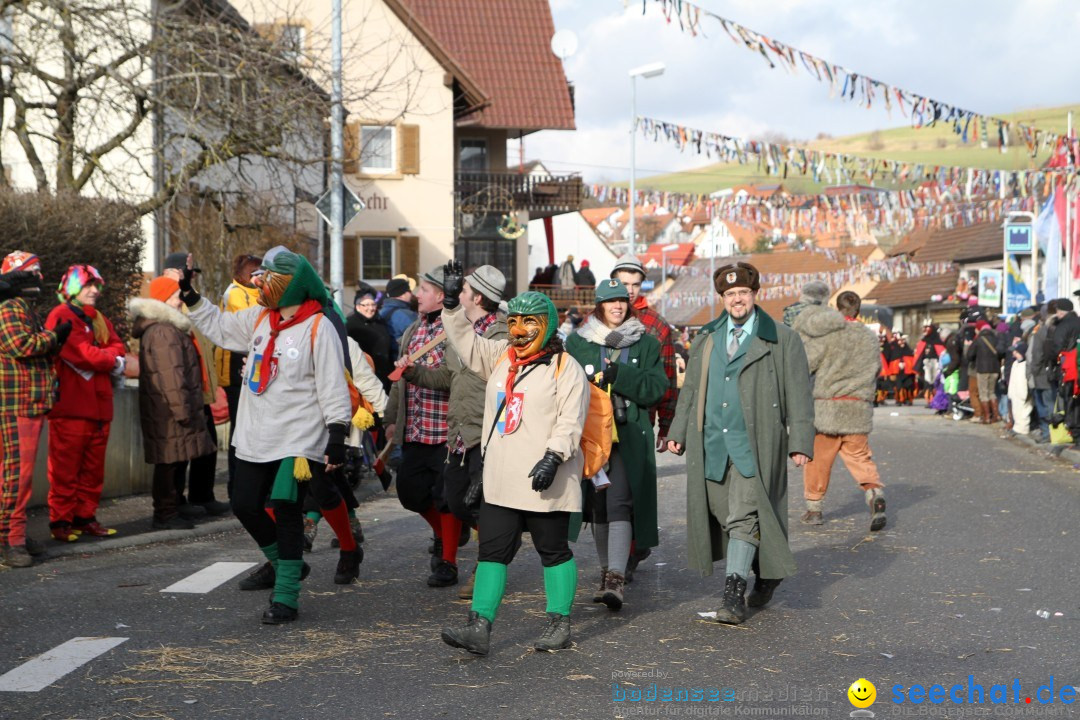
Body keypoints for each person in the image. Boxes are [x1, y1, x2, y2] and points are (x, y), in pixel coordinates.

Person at [182, 247, 354, 624]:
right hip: (255, 435)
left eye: (268, 277)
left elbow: (332, 385)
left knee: (287, 510)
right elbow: (221, 327)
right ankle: (288, 565)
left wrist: (337, 434)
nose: (259, 283)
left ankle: (286, 597)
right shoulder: (261, 318)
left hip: (297, 437)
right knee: (243, 504)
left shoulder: (318, 327)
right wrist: (192, 297)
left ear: (290, 285)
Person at [439, 267, 588, 656]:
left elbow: (571, 419)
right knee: (491, 551)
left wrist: (553, 457)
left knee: (552, 550)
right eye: (514, 322)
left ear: (547, 325)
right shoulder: (502, 358)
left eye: (529, 323)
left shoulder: (565, 367)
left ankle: (560, 623)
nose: (519, 330)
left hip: (545, 477)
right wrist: (452, 304)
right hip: (503, 479)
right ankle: (479, 626)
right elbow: (465, 343)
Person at [667, 262, 814, 625]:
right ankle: (768, 569)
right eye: (730, 294)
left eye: (743, 293)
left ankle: (733, 595)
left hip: (757, 444)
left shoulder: (782, 339)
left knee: (743, 515)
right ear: (722, 298)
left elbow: (799, 393)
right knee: (723, 512)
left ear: (754, 295)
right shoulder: (706, 338)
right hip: (713, 444)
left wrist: (800, 441)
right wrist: (677, 432)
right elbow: (690, 391)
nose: (737, 300)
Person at [402, 266, 508, 595]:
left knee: (482, 502)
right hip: (459, 431)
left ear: (477, 297)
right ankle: (502, 539)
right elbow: (450, 378)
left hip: (488, 432)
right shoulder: (458, 329)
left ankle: (488, 564)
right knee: (456, 501)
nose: (456, 296)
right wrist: (414, 373)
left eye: (461, 291)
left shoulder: (503, 334)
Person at [565, 278, 666, 610]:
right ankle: (608, 572)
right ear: (599, 305)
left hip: (627, 436)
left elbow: (656, 389)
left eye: (622, 300)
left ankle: (616, 579)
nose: (618, 306)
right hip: (591, 436)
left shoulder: (646, 345)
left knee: (620, 503)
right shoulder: (578, 344)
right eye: (611, 302)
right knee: (598, 507)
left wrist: (620, 377)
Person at [383, 267, 457, 583]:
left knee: (446, 498)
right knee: (410, 494)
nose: (417, 295)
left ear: (441, 295)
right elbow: (400, 382)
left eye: (424, 290)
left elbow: (449, 378)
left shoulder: (455, 331)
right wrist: (390, 419)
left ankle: (448, 561)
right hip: (414, 430)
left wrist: (415, 373)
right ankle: (444, 534)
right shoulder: (413, 330)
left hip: (443, 432)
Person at [45, 265, 127, 542]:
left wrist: (109, 357)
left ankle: (84, 517)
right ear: (72, 289)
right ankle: (61, 522)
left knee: (93, 470)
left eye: (96, 286)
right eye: (88, 286)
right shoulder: (60, 315)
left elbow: (118, 347)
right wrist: (112, 360)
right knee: (65, 469)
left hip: (99, 406)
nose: (94, 291)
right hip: (71, 406)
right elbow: (83, 354)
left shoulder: (98, 318)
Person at [609, 255, 679, 579]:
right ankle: (616, 553)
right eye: (624, 284)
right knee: (603, 489)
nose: (631, 290)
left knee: (635, 487)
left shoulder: (657, 326)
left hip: (638, 420)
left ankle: (631, 550)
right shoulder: (602, 320)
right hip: (600, 420)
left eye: (636, 284)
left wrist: (667, 426)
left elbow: (667, 380)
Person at [794, 290, 886, 532]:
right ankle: (874, 492)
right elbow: (877, 369)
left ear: (836, 309)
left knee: (818, 460)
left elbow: (808, 363)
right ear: (858, 310)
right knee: (860, 457)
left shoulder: (829, 335)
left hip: (828, 407)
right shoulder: (869, 337)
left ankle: (814, 509)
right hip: (857, 406)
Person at [129, 278, 217, 530]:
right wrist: (182, 410)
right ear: (162, 300)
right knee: (169, 462)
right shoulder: (163, 331)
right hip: (169, 410)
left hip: (167, 409)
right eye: (175, 295)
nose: (180, 300)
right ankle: (166, 513)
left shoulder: (164, 328)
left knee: (175, 459)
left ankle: (174, 507)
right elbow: (171, 376)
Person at [0, 253, 69, 567]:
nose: (41, 278)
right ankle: (11, 541)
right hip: (18, 404)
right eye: (35, 272)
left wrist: (51, 340)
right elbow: (20, 345)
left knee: (16, 475)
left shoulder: (21, 306)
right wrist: (55, 336)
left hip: (26, 401)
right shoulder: (10, 307)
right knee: (17, 476)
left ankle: (12, 534)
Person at [161, 252, 228, 517]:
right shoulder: (167, 300)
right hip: (183, 390)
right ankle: (177, 501)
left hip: (200, 389)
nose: (193, 277)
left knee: (206, 445)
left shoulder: (191, 300)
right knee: (178, 451)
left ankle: (201, 495)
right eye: (188, 272)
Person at [215, 253, 262, 496]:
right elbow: (245, 330)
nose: (259, 278)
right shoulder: (235, 294)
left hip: (250, 366)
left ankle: (249, 488)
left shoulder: (257, 294)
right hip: (236, 370)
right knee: (240, 431)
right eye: (255, 274)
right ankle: (238, 488)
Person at [346, 286, 394, 390]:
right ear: (358, 306)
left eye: (373, 304)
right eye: (366, 305)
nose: (371, 308)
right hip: (363, 378)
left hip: (384, 376)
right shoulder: (350, 325)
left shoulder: (380, 322)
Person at [965, 319, 1003, 424]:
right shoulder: (996, 338)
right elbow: (1001, 352)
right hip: (995, 369)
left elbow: (969, 355)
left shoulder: (978, 340)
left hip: (982, 369)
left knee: (983, 393)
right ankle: (997, 415)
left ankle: (986, 417)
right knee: (992, 392)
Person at [378, 277, 418, 357]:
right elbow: (420, 339)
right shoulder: (406, 315)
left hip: (387, 362)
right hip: (401, 361)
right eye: (409, 291)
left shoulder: (380, 312)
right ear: (402, 294)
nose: (411, 294)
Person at [913, 323, 946, 402]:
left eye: (927, 327)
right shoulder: (923, 341)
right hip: (926, 365)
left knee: (936, 383)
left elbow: (941, 353)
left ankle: (936, 399)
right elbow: (919, 354)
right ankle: (929, 400)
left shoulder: (938, 341)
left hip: (936, 365)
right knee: (927, 383)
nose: (925, 330)